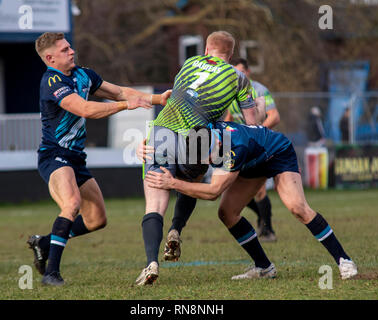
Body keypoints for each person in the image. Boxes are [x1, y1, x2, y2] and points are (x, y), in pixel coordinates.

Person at [26, 32, 171, 286]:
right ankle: (51, 274)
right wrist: (127, 106)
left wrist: (158, 99)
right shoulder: (51, 82)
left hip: (76, 158)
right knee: (71, 204)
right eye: (64, 50)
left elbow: (118, 92)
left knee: (97, 220)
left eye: (70, 47)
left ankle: (45, 242)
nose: (71, 51)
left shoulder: (83, 74)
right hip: (54, 156)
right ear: (50, 58)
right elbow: (86, 109)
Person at [144, 122, 358, 280]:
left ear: (217, 143)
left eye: (210, 157)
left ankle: (344, 261)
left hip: (276, 153)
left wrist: (173, 183)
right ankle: (264, 267)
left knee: (297, 208)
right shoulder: (200, 134)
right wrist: (142, 145)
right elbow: (163, 127)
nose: (209, 162)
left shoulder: (234, 149)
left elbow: (213, 192)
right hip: (251, 163)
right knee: (227, 213)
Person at [136, 30, 266, 286]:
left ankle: (151, 262)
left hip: (162, 129)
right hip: (198, 135)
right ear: (229, 55)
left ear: (206, 49)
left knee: (154, 203)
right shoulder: (238, 77)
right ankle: (177, 229)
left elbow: (178, 96)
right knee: (191, 180)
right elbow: (252, 125)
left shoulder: (189, 63)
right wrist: (259, 108)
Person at [224, 57, 280, 242]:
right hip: (241, 146)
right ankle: (262, 219)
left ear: (248, 72)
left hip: (259, 144)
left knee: (260, 190)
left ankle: (268, 230)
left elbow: (274, 117)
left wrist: (255, 132)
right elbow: (230, 118)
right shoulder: (232, 92)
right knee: (232, 188)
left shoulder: (259, 90)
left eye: (240, 72)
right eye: (233, 72)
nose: (237, 76)